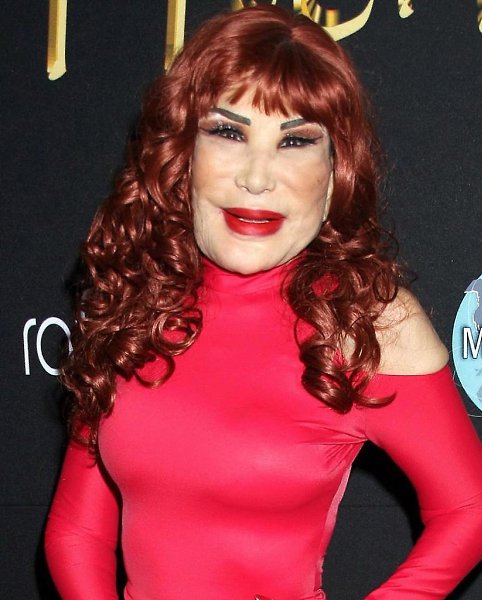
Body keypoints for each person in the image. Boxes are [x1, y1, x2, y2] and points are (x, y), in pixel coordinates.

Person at [44, 5, 482, 599]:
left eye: (295, 141)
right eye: (228, 132)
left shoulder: (365, 322)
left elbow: (468, 508)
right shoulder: (133, 300)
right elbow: (77, 530)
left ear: (335, 171)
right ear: (182, 154)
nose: (257, 177)